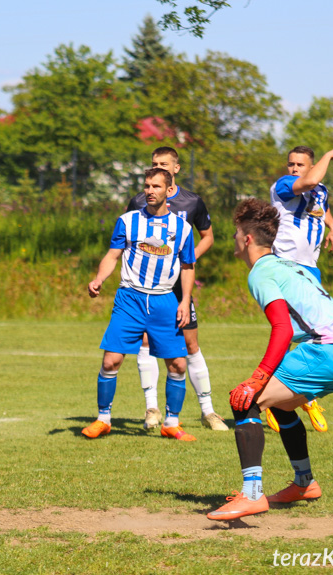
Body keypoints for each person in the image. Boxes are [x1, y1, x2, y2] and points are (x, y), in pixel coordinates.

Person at [207, 198, 333, 521]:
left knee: (243, 400)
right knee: (280, 404)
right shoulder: (289, 265)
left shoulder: (261, 272)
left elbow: (281, 327)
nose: (234, 239)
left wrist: (260, 376)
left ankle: (252, 494)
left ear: (247, 239)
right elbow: (295, 324)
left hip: (326, 349)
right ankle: (304, 483)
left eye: (236, 233)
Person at [82, 167, 197, 442]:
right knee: (111, 361)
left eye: (156, 186)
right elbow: (112, 256)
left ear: (169, 191)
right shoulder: (128, 221)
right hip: (129, 298)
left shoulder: (183, 228)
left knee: (178, 365)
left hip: (165, 301)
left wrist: (184, 300)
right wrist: (99, 278)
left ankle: (171, 422)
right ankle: (103, 419)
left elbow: (188, 266)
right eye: (147, 185)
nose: (149, 191)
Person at [126, 147, 227, 431]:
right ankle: (151, 409)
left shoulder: (192, 201)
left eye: (165, 164)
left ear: (176, 169)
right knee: (146, 342)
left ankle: (208, 412)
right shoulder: (137, 201)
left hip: (177, 288)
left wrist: (185, 258)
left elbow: (208, 237)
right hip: (147, 288)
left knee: (191, 344)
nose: (160, 167)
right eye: (155, 164)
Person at [266, 145, 333, 433]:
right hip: (286, 267)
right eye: (292, 163)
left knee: (316, 332)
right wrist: (327, 156)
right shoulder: (285, 185)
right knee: (286, 332)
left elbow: (319, 202)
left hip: (310, 269)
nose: (295, 168)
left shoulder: (319, 189)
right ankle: (274, 399)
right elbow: (309, 183)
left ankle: (302, 396)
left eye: (301, 164)